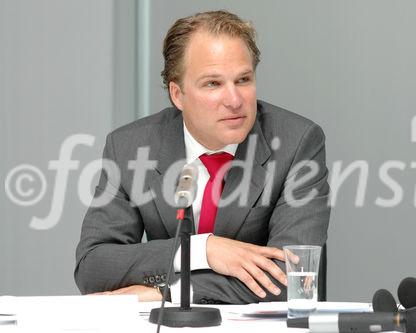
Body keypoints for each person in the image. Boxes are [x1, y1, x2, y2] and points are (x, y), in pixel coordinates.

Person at [75, 10, 330, 304]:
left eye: (243, 79)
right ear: (177, 94)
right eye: (213, 84)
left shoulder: (297, 143)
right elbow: (93, 267)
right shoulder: (131, 147)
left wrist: (166, 293)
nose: (235, 100)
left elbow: (293, 279)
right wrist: (201, 250)